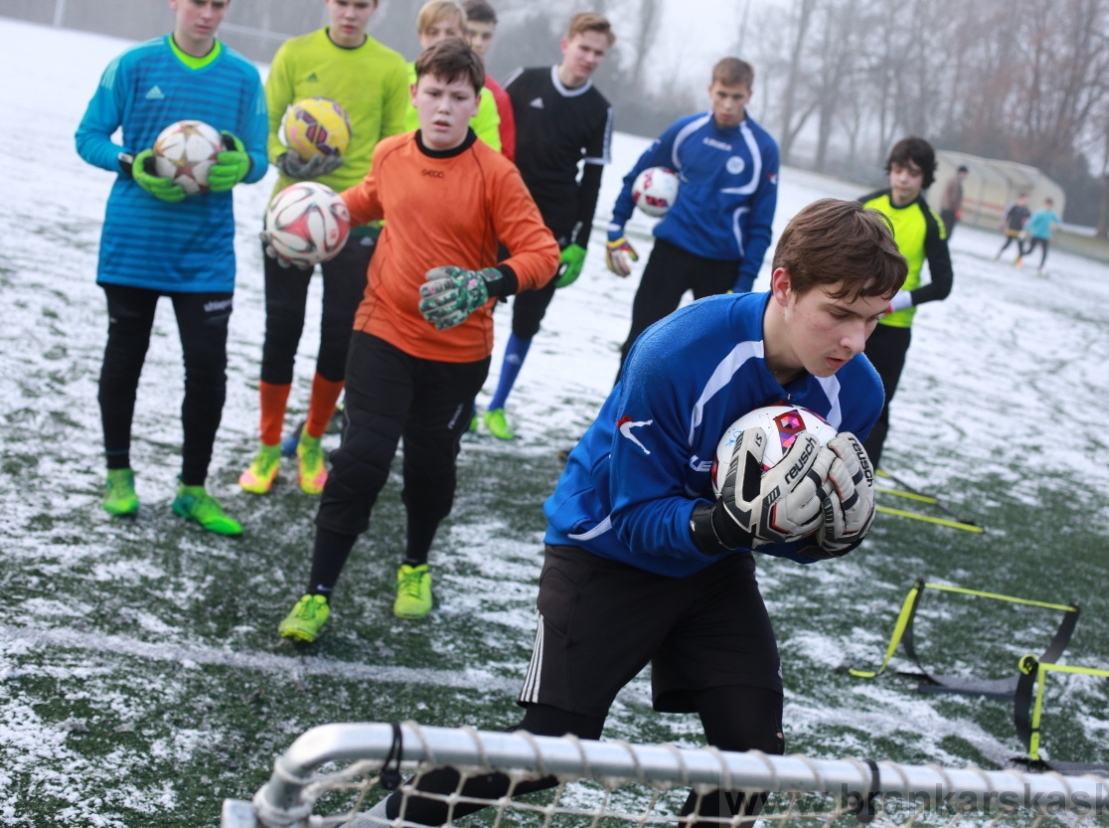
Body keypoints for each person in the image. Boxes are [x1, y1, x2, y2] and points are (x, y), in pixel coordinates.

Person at [362, 198, 906, 827]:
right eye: (839, 313)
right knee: (550, 751)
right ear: (782, 285)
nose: (854, 340)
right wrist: (726, 526)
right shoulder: (676, 352)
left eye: (872, 319)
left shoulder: (858, 389)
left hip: (711, 567)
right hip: (605, 550)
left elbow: (773, 527)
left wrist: (819, 536)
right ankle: (377, 822)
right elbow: (637, 516)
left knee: (754, 760)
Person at [277, 39, 559, 642]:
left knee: (431, 470)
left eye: (458, 97)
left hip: (458, 356)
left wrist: (490, 279)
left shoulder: (496, 176)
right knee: (359, 461)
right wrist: (308, 217)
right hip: (382, 331)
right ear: (415, 95)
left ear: (475, 102)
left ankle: (415, 565)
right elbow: (363, 202)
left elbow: (543, 254)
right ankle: (316, 594)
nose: (443, 107)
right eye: (433, 93)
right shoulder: (390, 154)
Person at [75, 0, 267, 534]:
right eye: (197, 2)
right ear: (175, 3)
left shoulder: (243, 77)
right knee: (124, 360)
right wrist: (130, 162)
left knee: (206, 370)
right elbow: (88, 136)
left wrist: (242, 165)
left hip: (204, 253)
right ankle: (119, 474)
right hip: (134, 244)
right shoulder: (133, 65)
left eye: (219, 4)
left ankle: (193, 489)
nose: (207, 14)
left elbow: (259, 158)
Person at [238, 0, 409, 497]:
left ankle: (311, 441)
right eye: (342, 2)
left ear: (374, 8)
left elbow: (393, 145)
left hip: (354, 222)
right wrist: (282, 155)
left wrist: (366, 202)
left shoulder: (390, 68)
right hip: (289, 215)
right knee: (282, 328)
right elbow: (266, 128)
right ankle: (269, 445)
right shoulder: (295, 53)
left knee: (338, 337)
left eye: (361, 4)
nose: (350, 12)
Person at [478, 13, 616, 440]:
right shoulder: (524, 80)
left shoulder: (600, 110)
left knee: (526, 321)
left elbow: (592, 182)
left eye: (598, 53)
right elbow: (489, 137)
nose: (590, 58)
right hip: (501, 215)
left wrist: (580, 243)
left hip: (552, 228)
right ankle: (463, 398)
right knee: (481, 307)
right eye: (584, 48)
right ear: (566, 44)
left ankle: (497, 406)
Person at [608, 57, 780, 381]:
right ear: (710, 90)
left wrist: (743, 284)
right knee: (639, 342)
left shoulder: (763, 148)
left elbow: (761, 225)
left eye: (737, 97)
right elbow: (637, 176)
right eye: (722, 94)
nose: (728, 104)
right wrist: (617, 226)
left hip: (721, 268)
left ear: (749, 96)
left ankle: (683, 428)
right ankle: (613, 422)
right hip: (670, 254)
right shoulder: (686, 130)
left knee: (707, 360)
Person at [857, 137, 953, 471]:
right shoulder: (865, 205)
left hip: (892, 334)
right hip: (851, 321)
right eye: (898, 170)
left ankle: (861, 483)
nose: (903, 179)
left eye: (913, 173)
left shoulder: (929, 222)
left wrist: (897, 303)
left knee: (875, 406)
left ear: (924, 178)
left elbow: (944, 285)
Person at [404, 1, 503, 154]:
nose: (441, 39)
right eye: (433, 32)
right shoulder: (399, 79)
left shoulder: (483, 96)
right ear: (420, 36)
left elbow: (490, 158)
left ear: (464, 36)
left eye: (450, 32)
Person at [462, 0, 515, 162]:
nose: (479, 43)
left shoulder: (497, 96)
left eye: (486, 36)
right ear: (457, 31)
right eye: (471, 33)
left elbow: (505, 157)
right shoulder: (419, 80)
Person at [1017, 197, 1062, 275]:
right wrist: (1025, 229)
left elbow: (1058, 220)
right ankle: (1020, 256)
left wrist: (1058, 225)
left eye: (1050, 205)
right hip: (1036, 234)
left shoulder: (1051, 213)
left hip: (1045, 236)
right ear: (1045, 204)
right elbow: (1032, 221)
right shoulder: (1039, 213)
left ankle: (1041, 266)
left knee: (1045, 252)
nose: (1048, 206)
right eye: (1047, 205)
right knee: (1030, 251)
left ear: (1051, 206)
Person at [996, 192, 1030, 261]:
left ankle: (1018, 261)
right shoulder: (1014, 206)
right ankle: (998, 255)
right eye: (1024, 199)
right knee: (1008, 243)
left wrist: (1027, 229)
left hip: (1021, 230)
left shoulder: (1026, 209)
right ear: (1020, 199)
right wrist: (1003, 224)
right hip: (1012, 228)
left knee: (1021, 246)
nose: (1025, 201)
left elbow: (1029, 220)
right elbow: (1006, 215)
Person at [939, 164, 968, 240]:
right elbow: (955, 197)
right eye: (965, 173)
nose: (965, 176)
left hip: (945, 208)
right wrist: (957, 210)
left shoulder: (951, 179)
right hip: (950, 210)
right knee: (947, 231)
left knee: (941, 228)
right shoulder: (956, 182)